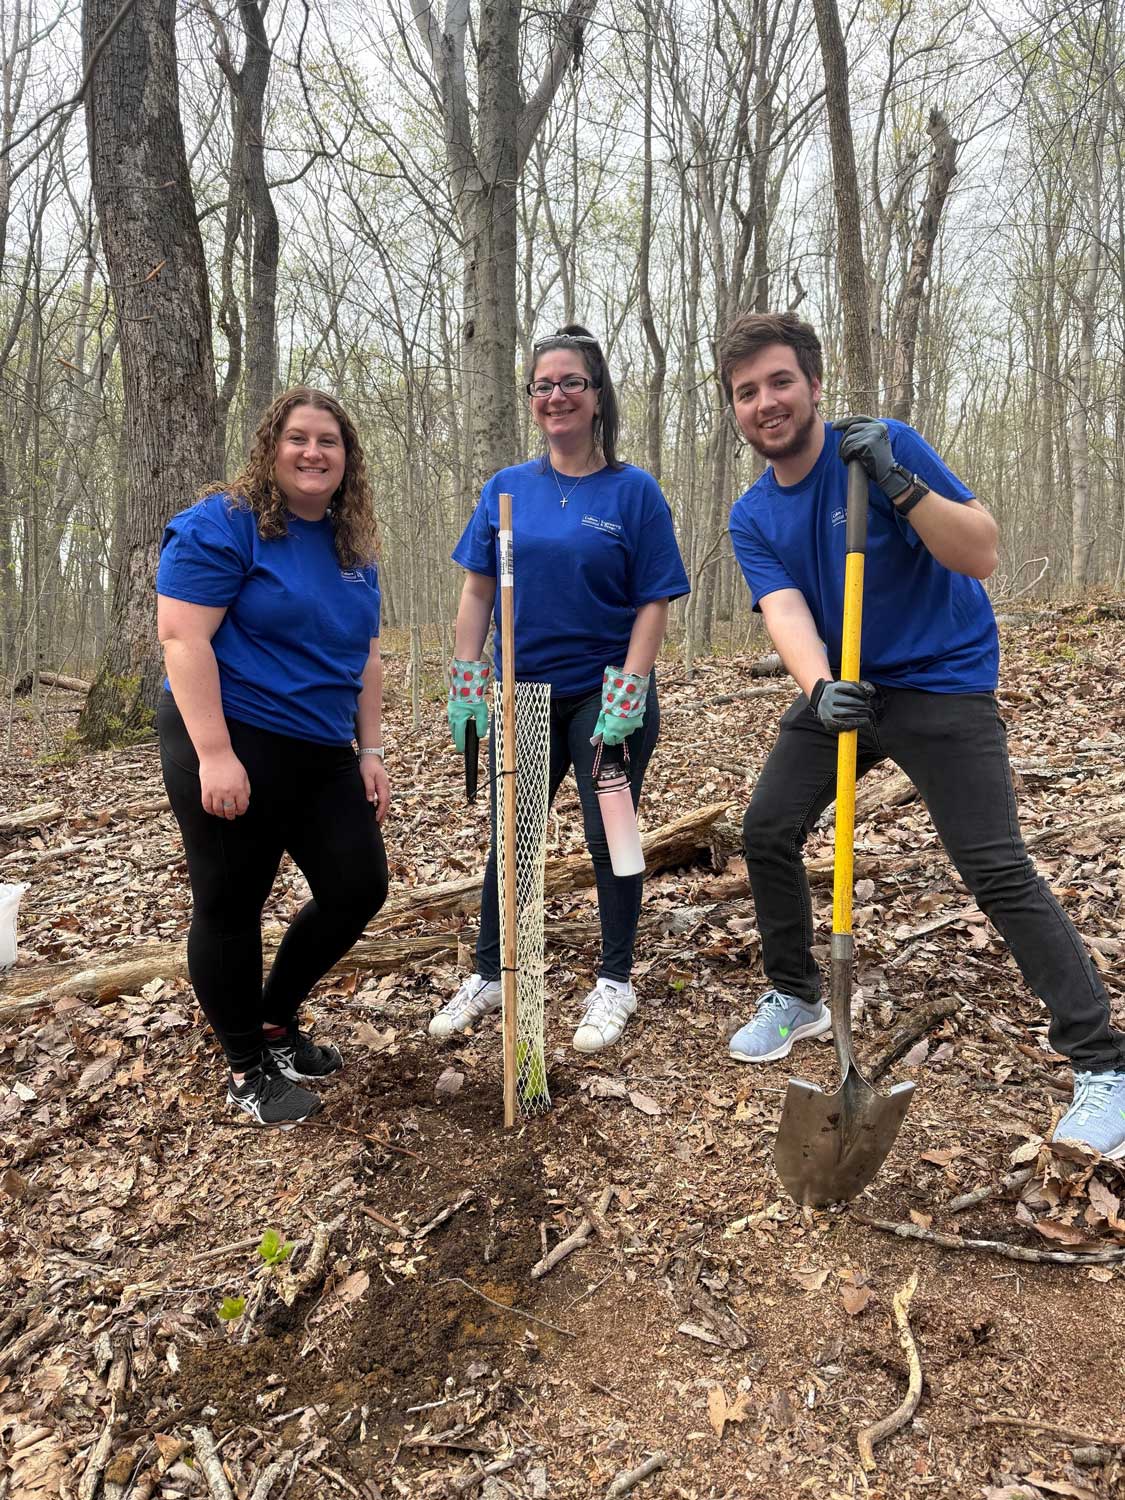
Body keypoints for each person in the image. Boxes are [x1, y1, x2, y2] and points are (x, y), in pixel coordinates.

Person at [718, 310, 1125, 1159]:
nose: (766, 403)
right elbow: (785, 611)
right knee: (765, 827)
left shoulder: (883, 445)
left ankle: (1102, 1063)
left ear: (813, 384)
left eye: (779, 382)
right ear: (734, 408)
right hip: (850, 686)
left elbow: (978, 553)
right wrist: (820, 686)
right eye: (746, 391)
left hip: (942, 678)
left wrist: (900, 483)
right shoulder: (752, 514)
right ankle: (795, 996)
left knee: (992, 865)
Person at [430, 324, 690, 1052]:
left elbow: (653, 600)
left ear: (596, 393)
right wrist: (466, 674)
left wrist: (630, 687)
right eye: (542, 385)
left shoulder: (632, 492)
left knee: (613, 833)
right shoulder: (507, 489)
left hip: (606, 697)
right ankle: (491, 972)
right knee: (511, 837)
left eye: (570, 382)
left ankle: (615, 981)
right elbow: (477, 593)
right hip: (526, 697)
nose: (556, 396)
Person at [156, 387, 391, 1127]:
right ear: (271, 446)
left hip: (323, 747)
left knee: (358, 886)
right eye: (298, 437)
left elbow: (368, 658)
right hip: (233, 736)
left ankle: (274, 1020)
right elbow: (183, 640)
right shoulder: (224, 525)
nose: (313, 452)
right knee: (231, 905)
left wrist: (371, 750)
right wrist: (216, 755)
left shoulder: (351, 547)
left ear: (346, 459)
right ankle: (244, 1068)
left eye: (328, 440)